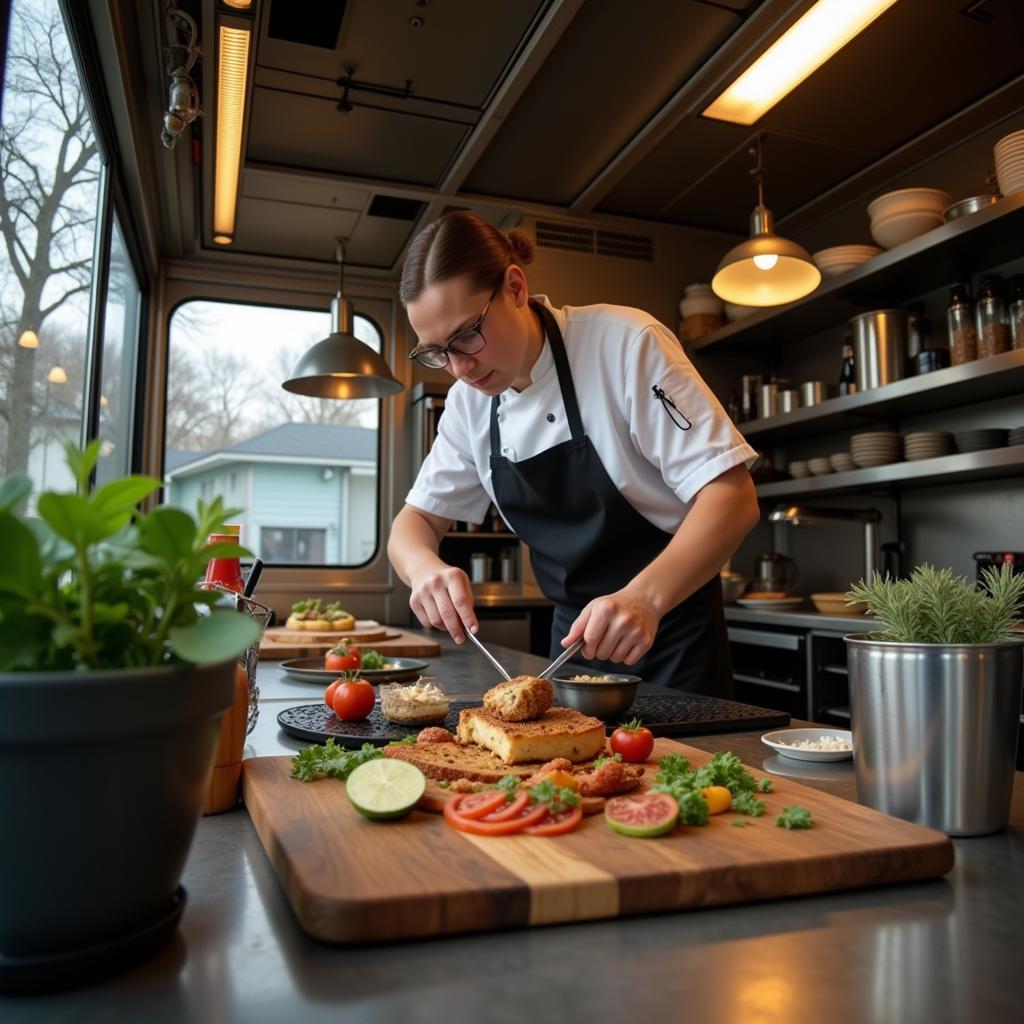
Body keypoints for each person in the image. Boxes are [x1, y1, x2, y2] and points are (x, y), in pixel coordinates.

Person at [387, 212, 760, 694]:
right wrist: (425, 570)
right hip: (570, 649)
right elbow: (410, 525)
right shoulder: (469, 403)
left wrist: (644, 599)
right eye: (437, 351)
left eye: (466, 335)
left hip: (673, 636)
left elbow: (732, 497)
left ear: (516, 288)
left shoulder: (624, 344)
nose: (459, 368)